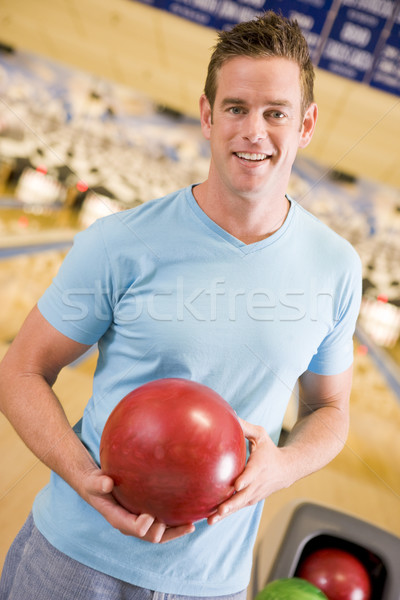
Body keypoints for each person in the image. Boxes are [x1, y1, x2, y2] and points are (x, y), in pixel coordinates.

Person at [0, 11, 361, 600]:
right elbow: (19, 371)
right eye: (236, 108)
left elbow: (331, 408)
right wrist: (84, 477)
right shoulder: (120, 241)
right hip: (69, 562)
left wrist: (283, 466)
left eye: (276, 113)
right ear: (206, 115)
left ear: (307, 124)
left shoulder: (336, 267)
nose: (254, 131)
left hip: (209, 585)